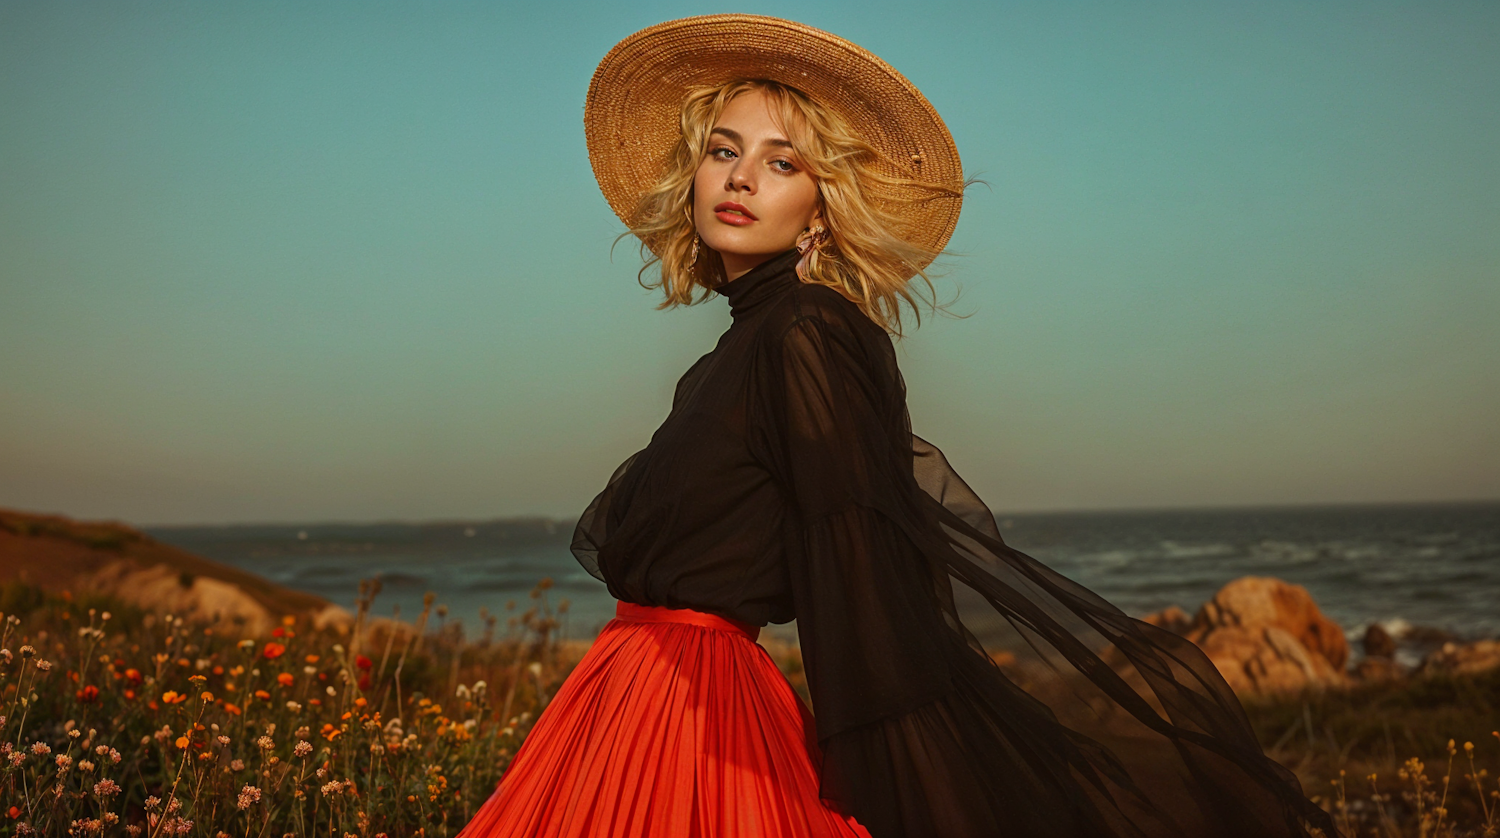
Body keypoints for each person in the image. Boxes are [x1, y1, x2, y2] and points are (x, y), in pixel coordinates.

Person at [458, 14, 1340, 838]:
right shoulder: (727, 357)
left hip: (700, 721)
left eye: (781, 162)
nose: (740, 178)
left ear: (821, 208)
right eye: (723, 150)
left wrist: (913, 783)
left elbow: (858, 566)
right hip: (625, 705)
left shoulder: (807, 334)